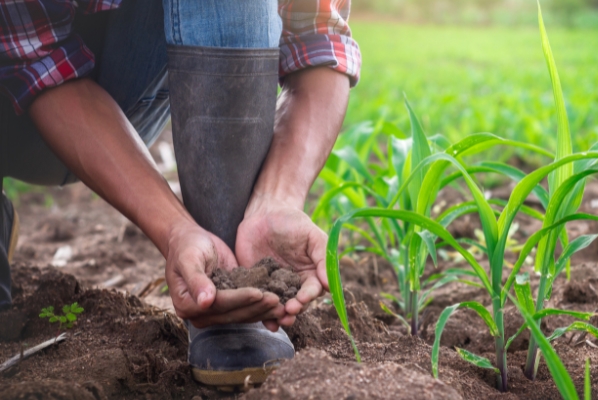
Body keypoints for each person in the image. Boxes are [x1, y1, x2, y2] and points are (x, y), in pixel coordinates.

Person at [0, 0, 360, 389]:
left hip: (114, 86)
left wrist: (278, 199)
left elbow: (319, 38)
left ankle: (224, 271)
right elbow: (32, 63)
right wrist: (172, 230)